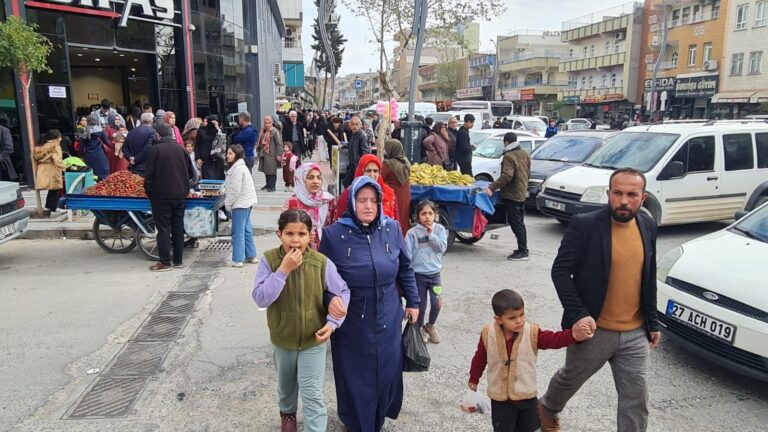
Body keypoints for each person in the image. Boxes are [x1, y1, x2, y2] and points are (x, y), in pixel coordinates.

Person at [538, 168, 661, 432]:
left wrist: (653, 322)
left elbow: (649, 275)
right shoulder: (586, 225)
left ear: (643, 197)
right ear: (608, 194)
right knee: (570, 378)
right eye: (618, 193)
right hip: (595, 329)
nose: (624, 201)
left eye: (632, 195)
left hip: (635, 332)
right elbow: (561, 271)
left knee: (636, 399)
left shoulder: (648, 225)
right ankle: (547, 407)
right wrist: (579, 314)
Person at [319, 176, 420, 432]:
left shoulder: (391, 228)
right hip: (352, 318)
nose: (368, 206)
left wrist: (413, 301)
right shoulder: (334, 235)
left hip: (389, 312)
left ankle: (379, 416)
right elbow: (321, 280)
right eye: (362, 200)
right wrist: (331, 301)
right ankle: (357, 423)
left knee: (387, 368)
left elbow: (405, 268)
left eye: (374, 200)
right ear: (351, 202)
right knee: (356, 374)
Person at [253, 209, 350, 432]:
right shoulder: (269, 260)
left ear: (311, 236)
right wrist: (283, 270)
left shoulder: (321, 262)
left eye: (302, 234)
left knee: (313, 392)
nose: (295, 240)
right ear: (279, 234)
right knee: (286, 384)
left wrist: (332, 323)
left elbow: (343, 292)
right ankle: (288, 413)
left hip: (313, 340)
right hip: (282, 339)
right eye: (289, 233)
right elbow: (260, 298)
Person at [469, 289, 590, 432]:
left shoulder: (531, 333)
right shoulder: (488, 334)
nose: (519, 320)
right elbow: (479, 359)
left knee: (528, 428)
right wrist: (473, 379)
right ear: (499, 319)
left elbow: (553, 339)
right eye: (512, 318)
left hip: (527, 397)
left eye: (521, 314)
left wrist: (573, 335)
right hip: (501, 400)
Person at [143, 124, 196, 272]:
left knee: (163, 228)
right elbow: (192, 174)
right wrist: (185, 187)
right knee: (178, 227)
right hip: (180, 195)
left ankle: (165, 262)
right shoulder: (181, 149)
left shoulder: (155, 150)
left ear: (158, 135)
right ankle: (178, 261)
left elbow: (149, 176)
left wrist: (149, 191)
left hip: (161, 195)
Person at [405, 200, 447, 344]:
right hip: (418, 276)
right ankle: (420, 328)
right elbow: (407, 255)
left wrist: (431, 235)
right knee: (420, 305)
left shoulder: (439, 229)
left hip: (435, 275)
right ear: (418, 216)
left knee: (437, 303)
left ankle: (430, 326)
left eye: (430, 213)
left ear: (435, 215)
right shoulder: (412, 233)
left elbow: (441, 247)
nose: (427, 217)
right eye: (423, 214)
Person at [485, 132, 531, 261]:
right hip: (522, 192)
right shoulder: (525, 153)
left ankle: (523, 251)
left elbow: (507, 176)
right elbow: (528, 172)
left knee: (516, 223)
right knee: (519, 222)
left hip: (512, 194)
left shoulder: (509, 156)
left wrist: (492, 187)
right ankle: (522, 248)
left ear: (506, 142)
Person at [282, 163, 336, 251]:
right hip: (299, 252)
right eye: (310, 178)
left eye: (319, 178)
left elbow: (335, 226)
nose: (316, 181)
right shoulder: (292, 202)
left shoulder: (328, 201)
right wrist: (301, 236)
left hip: (325, 251)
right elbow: (281, 230)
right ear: (301, 179)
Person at [336, 154, 398, 222]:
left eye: (375, 171)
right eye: (368, 171)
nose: (372, 175)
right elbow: (340, 222)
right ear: (361, 171)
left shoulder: (389, 194)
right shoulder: (349, 194)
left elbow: (396, 222)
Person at [224, 144, 258, 267]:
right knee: (246, 229)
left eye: (230, 153)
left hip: (240, 203)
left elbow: (235, 190)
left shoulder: (237, 169)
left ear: (236, 155)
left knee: (238, 232)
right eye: (227, 153)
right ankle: (251, 255)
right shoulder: (241, 167)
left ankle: (237, 259)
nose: (227, 156)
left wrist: (228, 204)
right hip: (247, 202)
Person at [381, 139, 411, 236]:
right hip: (405, 196)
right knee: (404, 217)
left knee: (394, 216)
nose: (385, 151)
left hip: (393, 196)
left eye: (386, 149)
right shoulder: (406, 162)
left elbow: (379, 178)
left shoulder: (388, 164)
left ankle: (395, 238)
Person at [33, 129, 65, 214]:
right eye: (60, 136)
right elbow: (57, 159)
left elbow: (37, 156)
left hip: (43, 169)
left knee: (52, 190)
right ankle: (53, 208)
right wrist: (64, 168)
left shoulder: (44, 145)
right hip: (53, 169)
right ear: (56, 137)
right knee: (56, 189)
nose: (61, 138)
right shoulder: (55, 145)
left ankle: (48, 207)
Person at [342, 116, 370, 188]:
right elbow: (352, 144)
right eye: (353, 124)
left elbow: (365, 152)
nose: (355, 126)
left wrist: (362, 167)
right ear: (350, 126)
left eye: (356, 124)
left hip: (357, 165)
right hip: (352, 164)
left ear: (360, 125)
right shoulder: (354, 135)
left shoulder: (362, 136)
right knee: (346, 183)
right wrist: (345, 145)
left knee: (352, 184)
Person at [195, 115, 226, 180]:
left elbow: (223, 141)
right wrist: (197, 158)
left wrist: (217, 128)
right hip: (205, 160)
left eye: (216, 122)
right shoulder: (201, 130)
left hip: (217, 159)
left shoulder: (219, 131)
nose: (213, 124)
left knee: (218, 179)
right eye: (212, 122)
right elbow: (197, 145)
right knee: (208, 179)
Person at [258, 115, 282, 192]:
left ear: (271, 123)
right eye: (266, 123)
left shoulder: (274, 131)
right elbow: (260, 141)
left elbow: (278, 143)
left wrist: (279, 154)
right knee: (266, 170)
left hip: (272, 153)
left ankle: (272, 186)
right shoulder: (263, 130)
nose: (267, 124)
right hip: (264, 153)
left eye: (269, 123)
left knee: (272, 170)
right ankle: (268, 184)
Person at [84, 113, 110, 181]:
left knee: (90, 175)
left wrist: (82, 156)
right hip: (100, 155)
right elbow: (107, 142)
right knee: (103, 175)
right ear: (97, 120)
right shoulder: (100, 130)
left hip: (89, 155)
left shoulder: (84, 130)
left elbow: (81, 146)